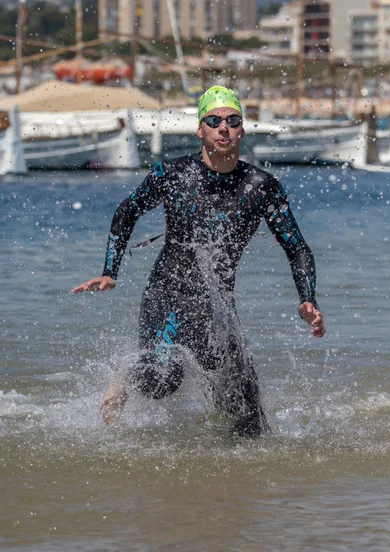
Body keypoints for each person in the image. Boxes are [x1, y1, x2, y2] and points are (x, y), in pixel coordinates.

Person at [71, 85, 325, 436]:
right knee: (162, 378)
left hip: (217, 307)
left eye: (232, 120)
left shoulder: (261, 186)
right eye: (214, 119)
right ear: (200, 129)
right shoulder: (172, 175)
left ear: (242, 130)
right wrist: (109, 272)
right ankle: (123, 383)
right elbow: (127, 211)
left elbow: (296, 247)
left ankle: (231, 488)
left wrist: (307, 298)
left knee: (248, 418)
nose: (224, 127)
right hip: (168, 295)